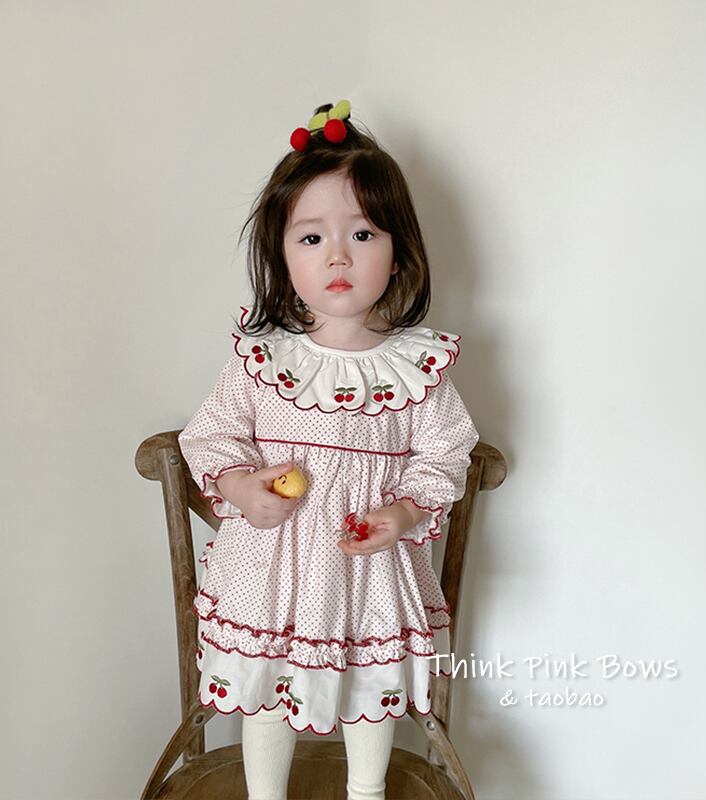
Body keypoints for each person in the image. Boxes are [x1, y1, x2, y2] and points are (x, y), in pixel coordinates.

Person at [177, 100, 480, 800]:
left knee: (370, 689)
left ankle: (366, 791)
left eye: (362, 233)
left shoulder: (417, 369)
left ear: (399, 254)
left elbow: (445, 453)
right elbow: (212, 434)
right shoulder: (263, 360)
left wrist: (404, 514)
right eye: (311, 238)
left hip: (368, 572)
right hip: (271, 572)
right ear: (283, 259)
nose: (338, 256)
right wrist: (242, 487)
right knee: (269, 688)